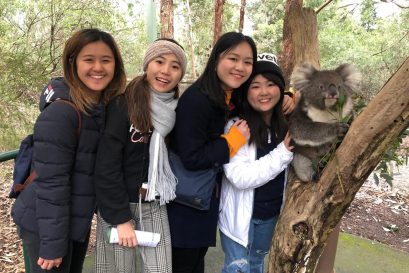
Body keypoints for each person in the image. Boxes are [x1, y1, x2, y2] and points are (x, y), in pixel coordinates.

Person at [11, 28, 127, 272]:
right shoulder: (62, 113)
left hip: (75, 219)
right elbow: (51, 182)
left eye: (106, 60)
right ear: (72, 63)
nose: (98, 67)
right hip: (46, 224)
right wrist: (52, 245)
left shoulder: (101, 107)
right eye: (89, 59)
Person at [93, 38, 187, 273]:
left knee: (161, 268)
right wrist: (120, 218)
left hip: (154, 202)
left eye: (175, 66)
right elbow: (107, 166)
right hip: (118, 203)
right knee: (116, 270)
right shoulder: (122, 104)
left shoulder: (178, 109)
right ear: (147, 65)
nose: (166, 71)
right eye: (159, 61)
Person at [167, 31, 257, 273]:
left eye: (247, 62)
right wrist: (231, 142)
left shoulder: (229, 96)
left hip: (204, 200)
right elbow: (192, 156)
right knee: (185, 265)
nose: (240, 67)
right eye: (233, 59)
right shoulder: (197, 100)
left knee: (196, 262)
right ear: (217, 59)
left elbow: (265, 93)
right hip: (185, 205)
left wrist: (288, 96)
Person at [218, 53, 294, 273]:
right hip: (239, 217)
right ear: (246, 91)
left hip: (270, 215)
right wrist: (283, 152)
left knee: (256, 265)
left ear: (280, 89)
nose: (264, 92)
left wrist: (293, 98)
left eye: (271, 84)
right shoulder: (237, 126)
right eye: (255, 86)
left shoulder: (287, 125)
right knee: (237, 269)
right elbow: (240, 177)